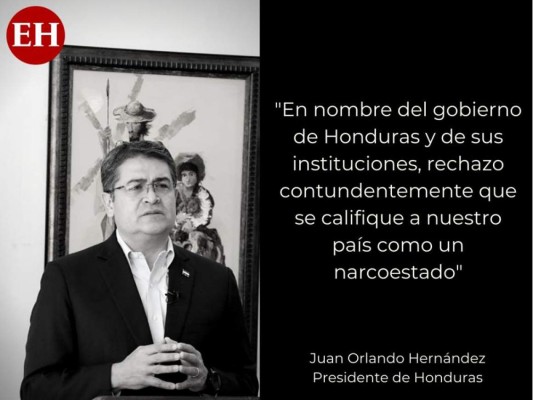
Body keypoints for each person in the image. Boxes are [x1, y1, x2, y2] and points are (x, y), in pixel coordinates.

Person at [21, 141, 258, 399]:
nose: (152, 197)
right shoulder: (67, 277)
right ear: (109, 202)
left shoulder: (217, 278)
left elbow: (246, 383)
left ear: (175, 196)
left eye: (162, 185)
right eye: (136, 186)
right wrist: (116, 375)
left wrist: (207, 380)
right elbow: (37, 388)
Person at [172, 153, 225, 264]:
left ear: (197, 176)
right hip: (177, 228)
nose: (188, 179)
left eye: (191, 174)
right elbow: (169, 212)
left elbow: (205, 216)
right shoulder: (176, 193)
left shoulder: (202, 194)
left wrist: (192, 224)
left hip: (197, 228)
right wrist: (177, 221)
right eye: (184, 175)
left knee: (199, 242)